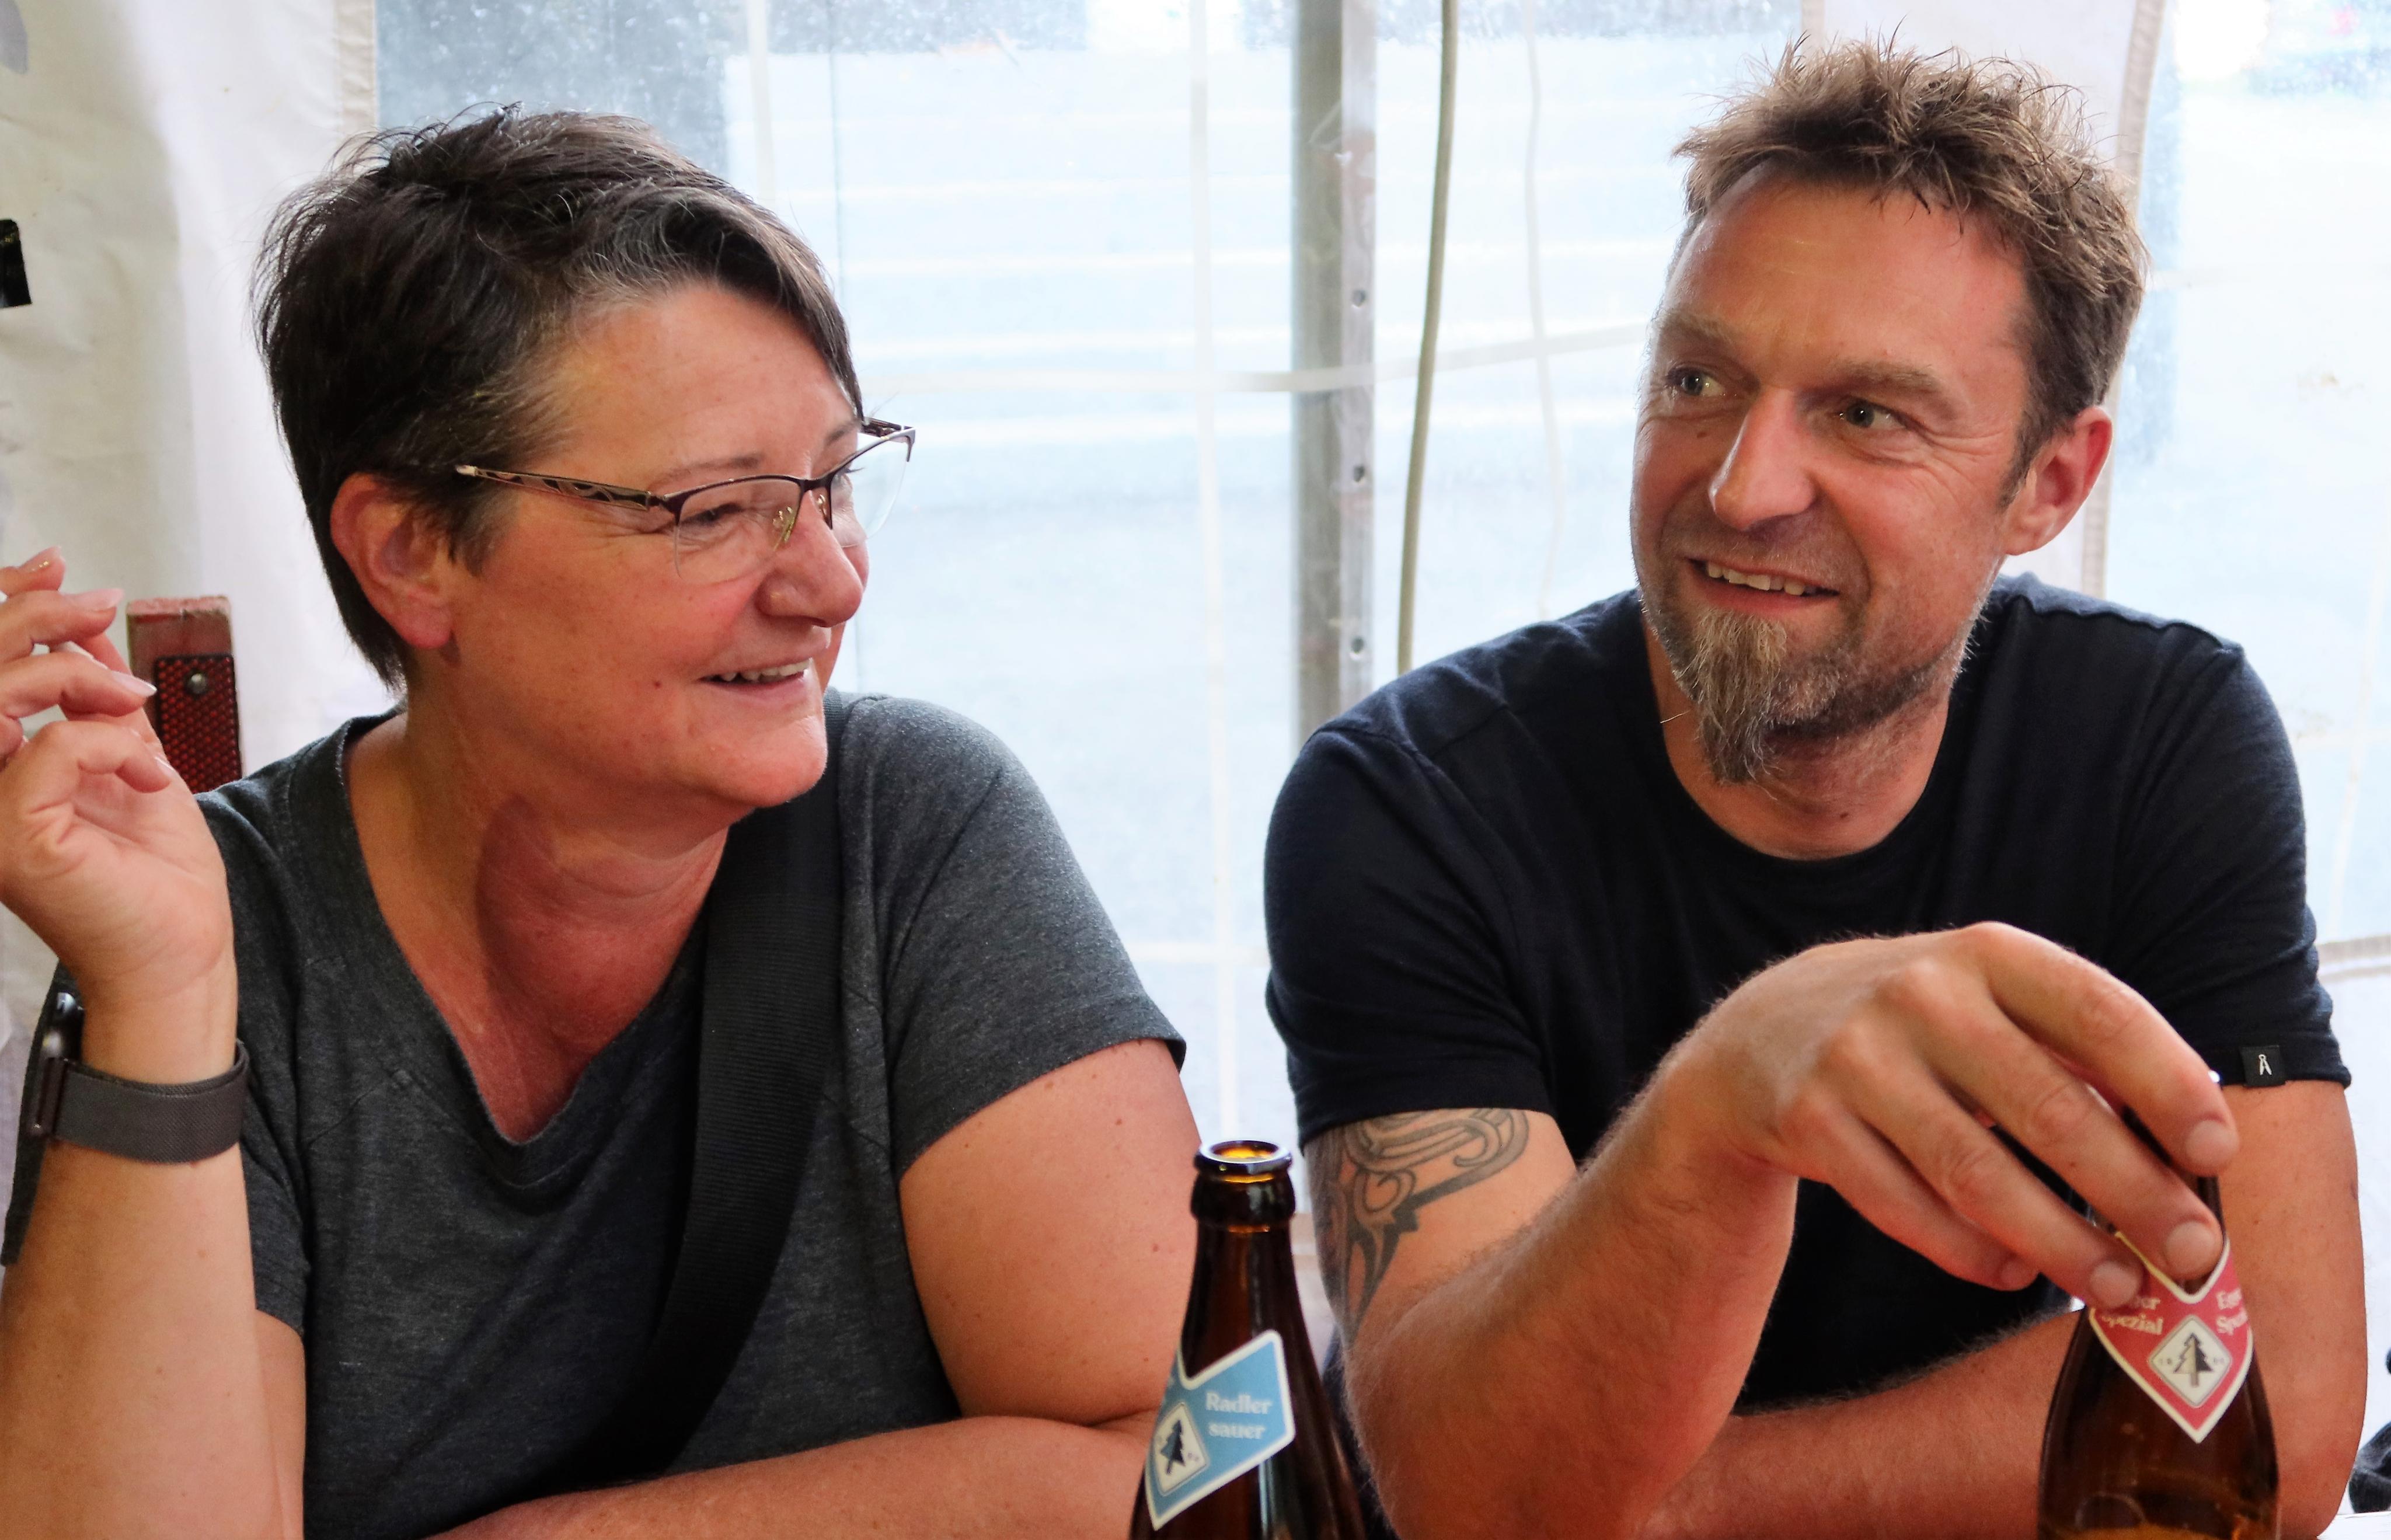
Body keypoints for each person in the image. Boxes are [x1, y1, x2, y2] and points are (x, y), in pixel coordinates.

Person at [0, 110, 1200, 1539]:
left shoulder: (914, 834)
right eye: (714, 509)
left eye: (832, 481)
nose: (829, 582)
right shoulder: (215, 944)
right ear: (412, 554)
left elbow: (1187, 1470)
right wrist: (159, 994)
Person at [1266, 44, 2364, 1540]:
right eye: (1696, 382)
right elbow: (1474, 1497)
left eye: (1865, 414)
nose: (1741, 486)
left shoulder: (2152, 738)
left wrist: (1671, 1503)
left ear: (2049, 484)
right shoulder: (1407, 806)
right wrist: (1722, 1102)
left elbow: (2286, 1405)